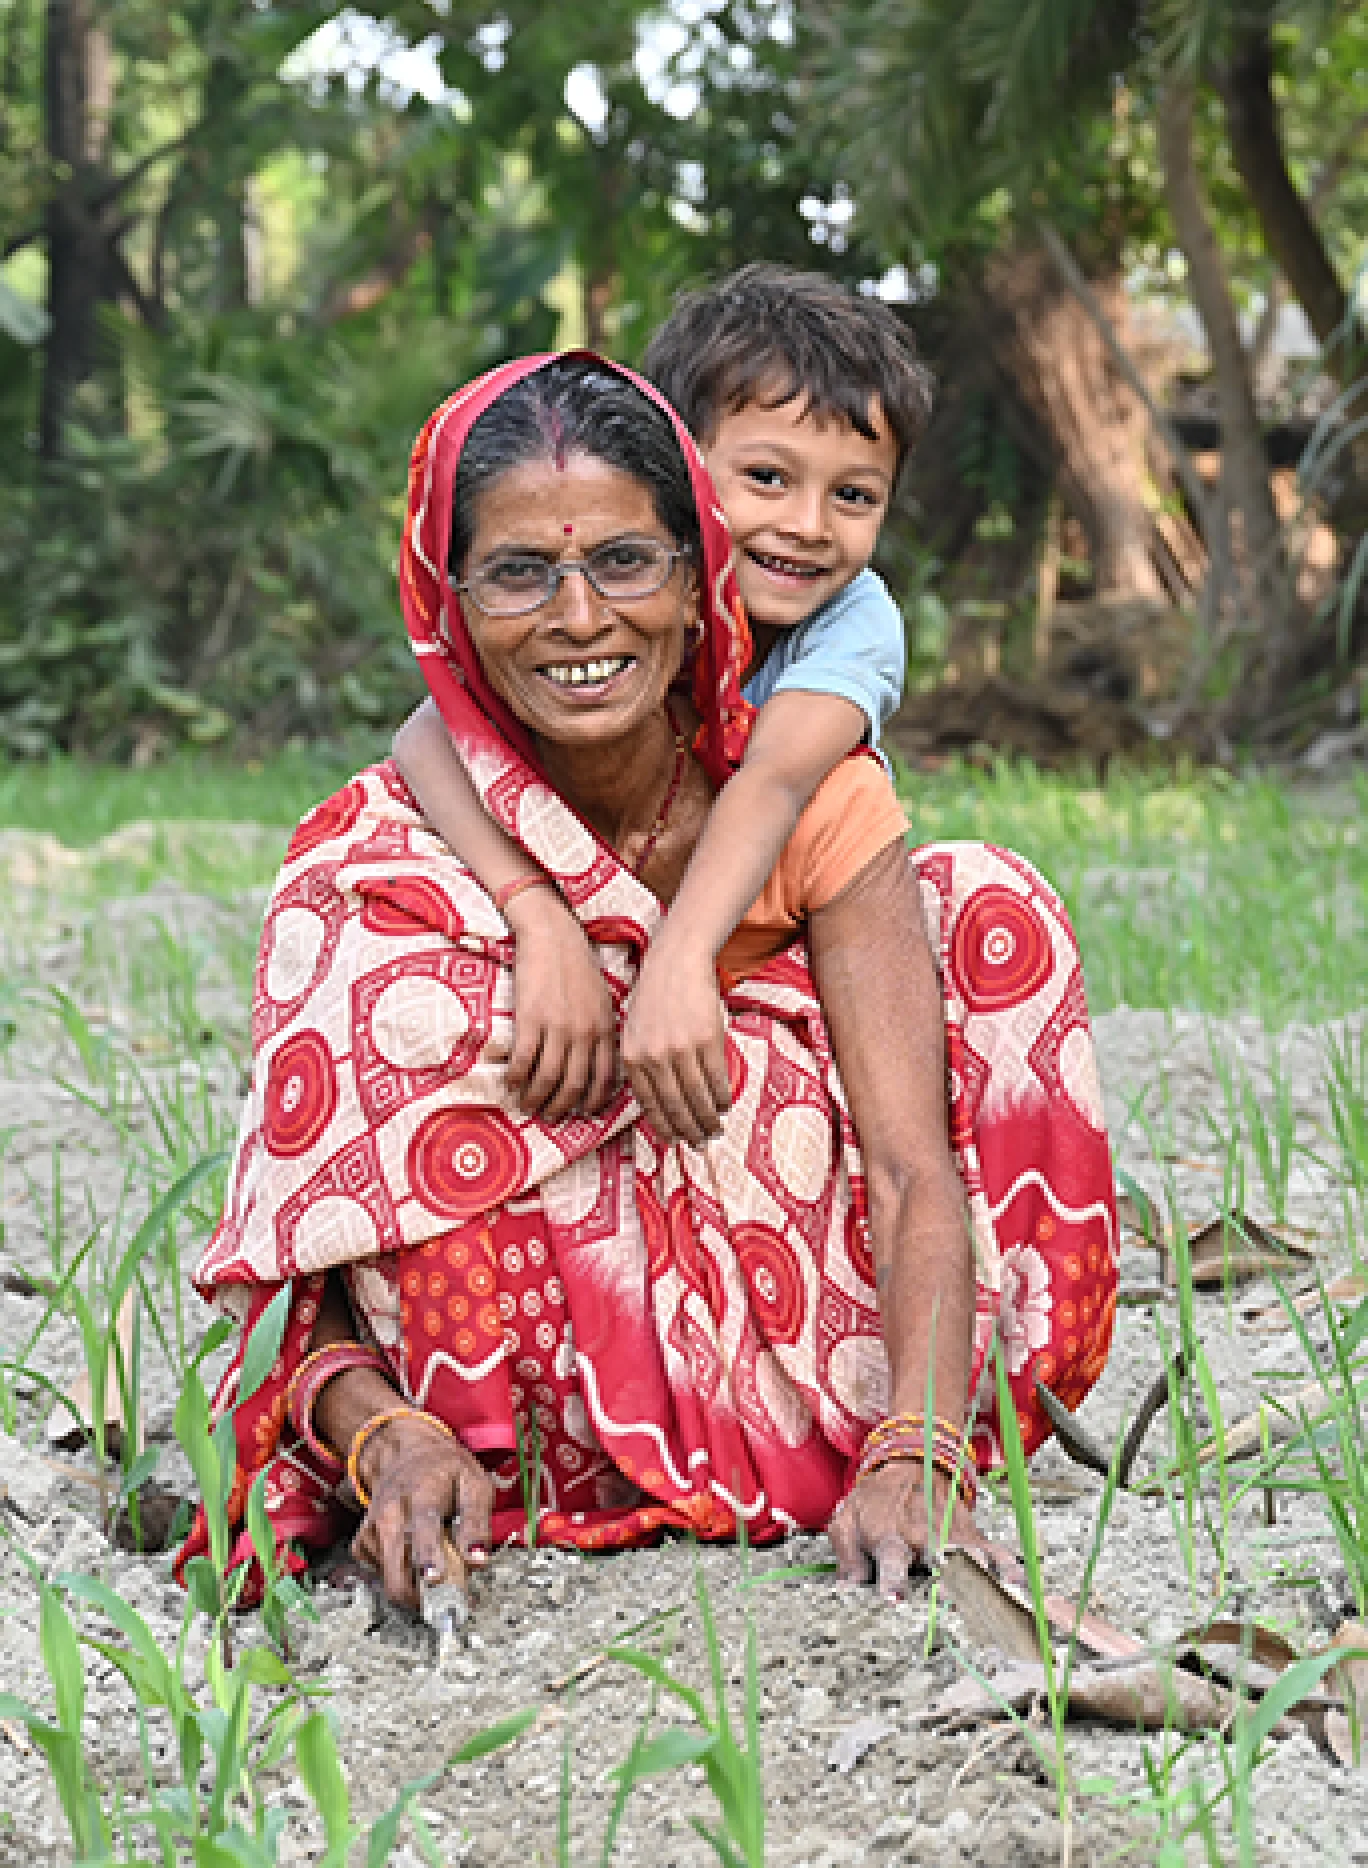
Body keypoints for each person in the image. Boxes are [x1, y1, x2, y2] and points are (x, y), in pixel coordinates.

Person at [176, 354, 1118, 1615]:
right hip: (481, 1443)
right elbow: (305, 1295)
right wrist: (383, 1437)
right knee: (437, 1021)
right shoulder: (377, 876)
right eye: (521, 571)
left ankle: (858, 1418)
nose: (578, 618)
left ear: (697, 579)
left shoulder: (811, 795)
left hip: (835, 1387)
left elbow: (910, 1168)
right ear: (448, 603)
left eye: (625, 561)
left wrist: (920, 1448)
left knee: (984, 907)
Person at [392, 265, 925, 1149]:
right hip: (623, 908)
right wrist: (534, 911)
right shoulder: (625, 584)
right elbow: (430, 733)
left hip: (771, 931)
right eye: (766, 477)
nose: (808, 525)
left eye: (854, 496)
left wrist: (677, 963)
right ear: (679, 469)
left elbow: (773, 782)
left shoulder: (855, 624)